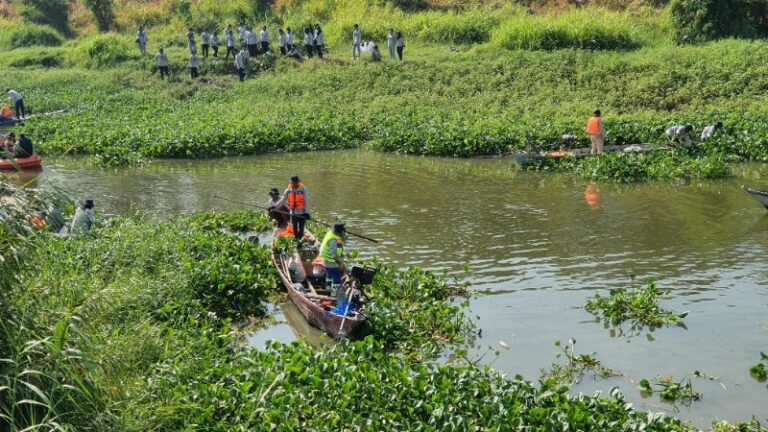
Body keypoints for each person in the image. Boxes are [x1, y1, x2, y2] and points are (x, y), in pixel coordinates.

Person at [316, 223, 347, 297]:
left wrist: (341, 255)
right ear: (339, 232)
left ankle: (328, 288)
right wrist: (340, 263)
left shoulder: (331, 233)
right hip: (330, 261)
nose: (343, 233)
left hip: (327, 260)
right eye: (342, 232)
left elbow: (338, 249)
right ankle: (334, 294)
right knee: (336, 278)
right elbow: (333, 254)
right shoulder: (333, 239)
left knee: (329, 275)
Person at [283, 175, 310, 241]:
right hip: (293, 212)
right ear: (291, 183)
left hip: (302, 212)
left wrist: (307, 213)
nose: (295, 184)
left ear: (298, 182)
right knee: (294, 226)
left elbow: (307, 201)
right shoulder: (288, 190)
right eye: (293, 183)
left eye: (296, 183)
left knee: (301, 227)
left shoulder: (303, 189)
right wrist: (274, 206)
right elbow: (283, 199)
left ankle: (300, 239)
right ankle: (296, 238)